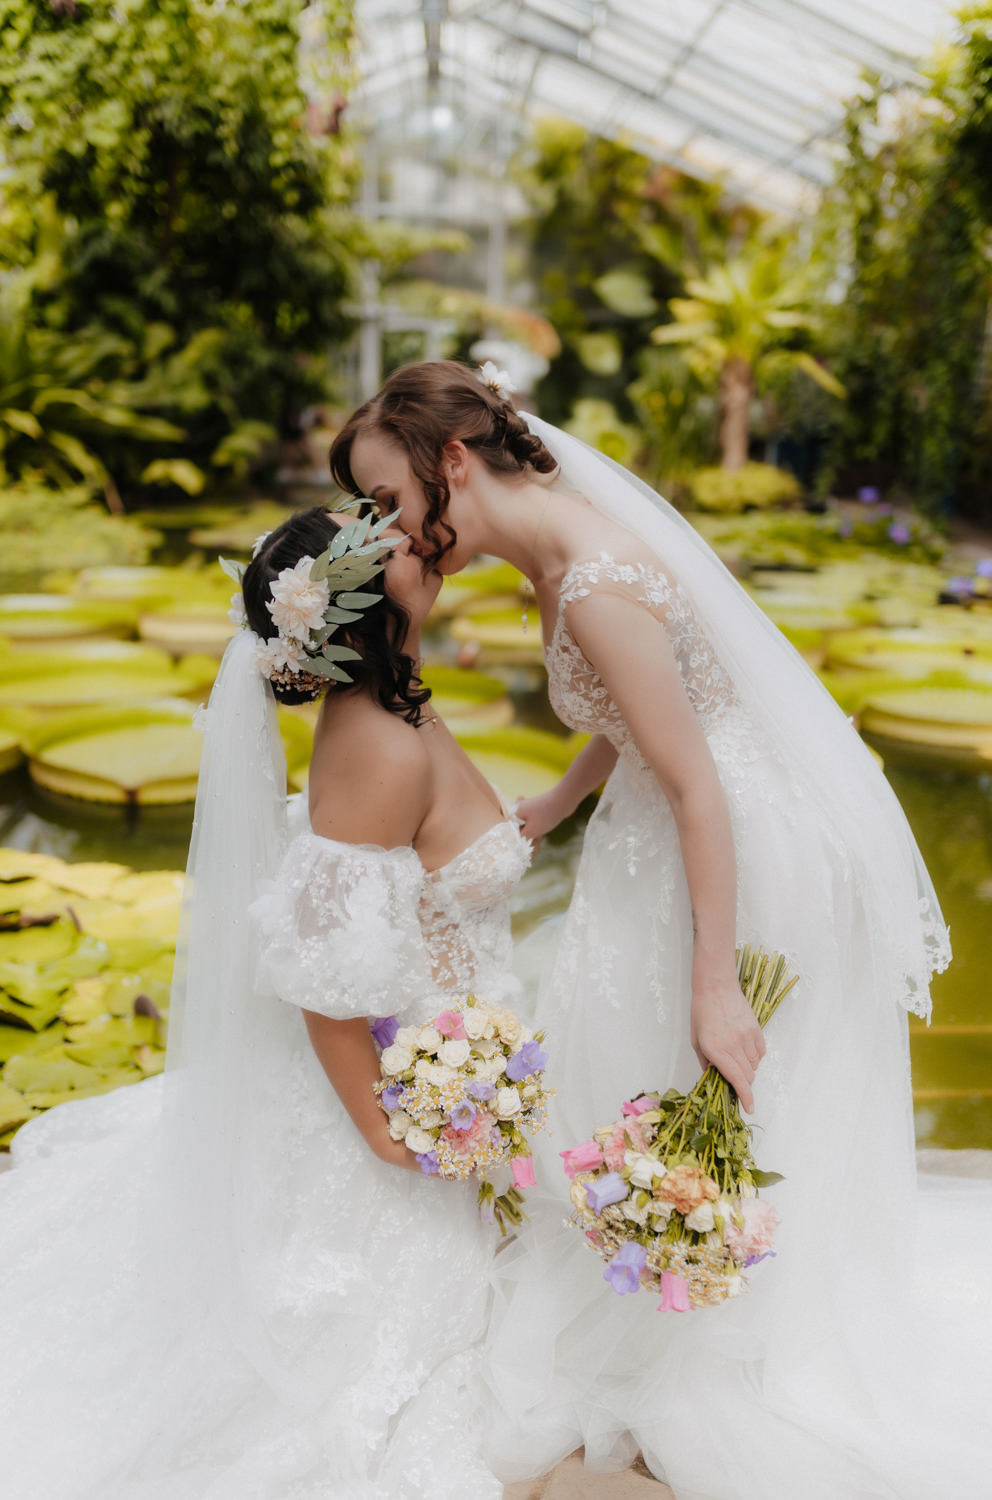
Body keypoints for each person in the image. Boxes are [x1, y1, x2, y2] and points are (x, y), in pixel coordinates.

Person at [330, 359, 992, 1500]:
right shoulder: (563, 555)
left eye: (389, 502)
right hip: (668, 824)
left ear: (450, 463)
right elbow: (644, 710)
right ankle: (686, 1275)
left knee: (694, 1065)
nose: (386, 533)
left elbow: (698, 784)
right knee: (634, 1074)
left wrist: (716, 983)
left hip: (728, 848)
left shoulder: (590, 578)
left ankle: (732, 1332)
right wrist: (560, 800)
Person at [0, 505, 532, 1500]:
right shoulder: (379, 746)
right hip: (396, 1099)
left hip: (455, 1053)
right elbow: (326, 987)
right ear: (364, 604)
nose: (410, 531)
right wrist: (391, 1136)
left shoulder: (398, 703)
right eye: (383, 538)